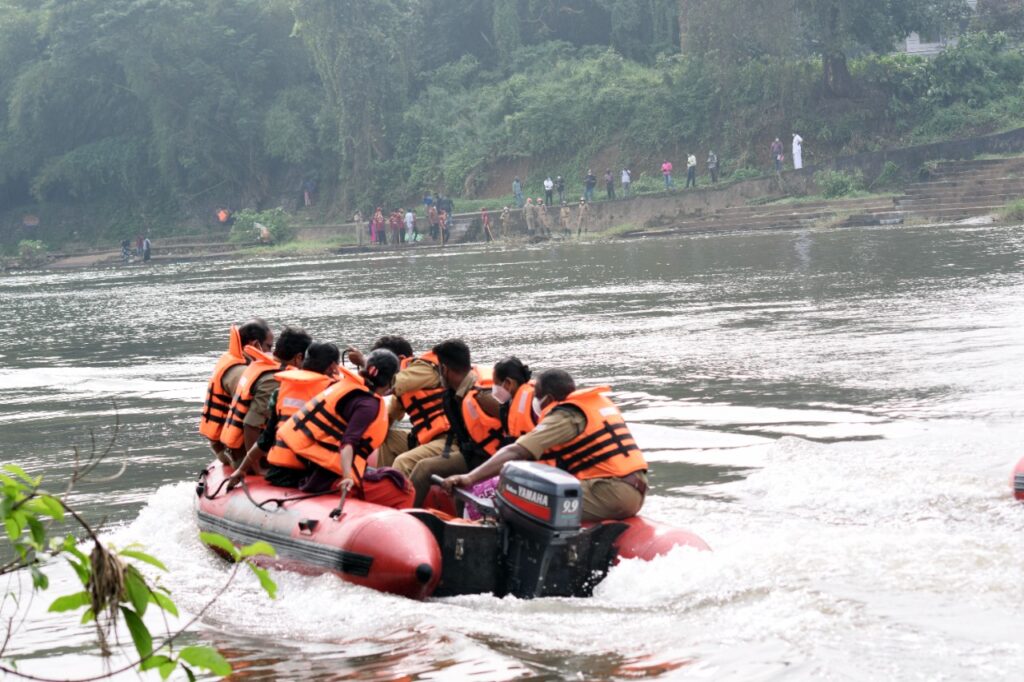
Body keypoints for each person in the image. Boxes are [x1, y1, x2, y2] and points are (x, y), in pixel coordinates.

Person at [442, 369, 648, 522]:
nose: (535, 401)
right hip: (633, 489)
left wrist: (469, 477)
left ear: (547, 398)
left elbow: (517, 451)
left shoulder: (565, 415)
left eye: (536, 397)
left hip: (610, 493)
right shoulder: (595, 404)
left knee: (515, 500)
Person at [276, 349, 399, 496]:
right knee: (403, 488)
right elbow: (348, 442)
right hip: (328, 475)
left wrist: (243, 467)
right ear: (391, 380)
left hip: (311, 465)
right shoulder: (369, 404)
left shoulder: (344, 386)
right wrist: (347, 476)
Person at [226, 342, 340, 489]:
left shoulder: (280, 392)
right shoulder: (334, 393)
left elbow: (266, 438)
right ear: (332, 367)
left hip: (279, 474)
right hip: (313, 475)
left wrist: (241, 469)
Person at [394, 340, 495, 507]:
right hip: (472, 452)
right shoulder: (454, 393)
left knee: (424, 469)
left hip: (488, 456)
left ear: (444, 369)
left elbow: (512, 424)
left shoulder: (482, 396)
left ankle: (405, 517)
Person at [219, 327, 312, 460]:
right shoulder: (273, 381)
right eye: (306, 359)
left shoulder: (262, 366)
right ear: (298, 358)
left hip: (237, 449)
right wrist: (256, 467)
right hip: (245, 456)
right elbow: (251, 425)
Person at [199, 319, 274, 462]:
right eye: (269, 347)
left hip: (224, 446)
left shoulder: (232, 361)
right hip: (238, 454)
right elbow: (254, 420)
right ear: (255, 345)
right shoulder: (242, 373)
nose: (271, 352)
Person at [492, 357, 537, 439]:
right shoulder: (509, 403)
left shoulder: (534, 401)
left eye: (496, 384)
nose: (494, 389)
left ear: (508, 382)